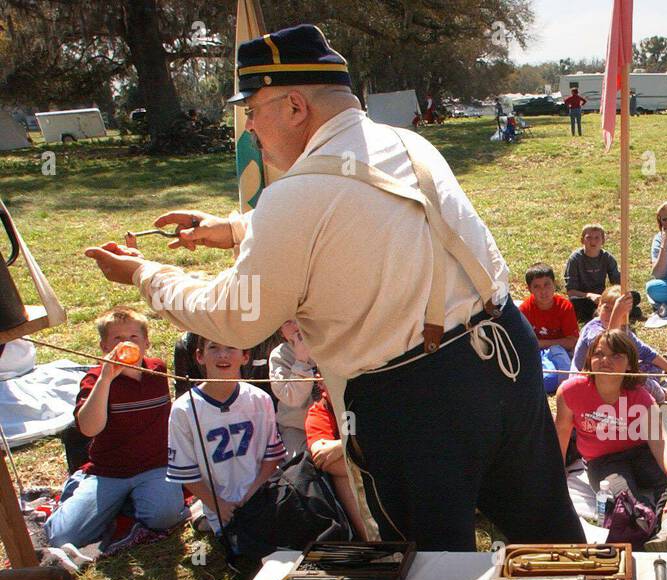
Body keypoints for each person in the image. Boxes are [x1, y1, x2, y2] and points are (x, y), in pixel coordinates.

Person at [85, 23, 582, 551]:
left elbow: (235, 316)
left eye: (252, 110)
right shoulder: (406, 143)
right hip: (503, 355)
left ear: (296, 106)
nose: (248, 127)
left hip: (415, 397)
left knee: (434, 570)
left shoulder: (296, 197)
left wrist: (145, 274)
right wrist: (234, 228)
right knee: (548, 534)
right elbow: (364, 216)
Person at [43, 307, 186, 550]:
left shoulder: (157, 370)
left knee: (165, 517)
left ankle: (126, 502)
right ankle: (84, 488)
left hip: (154, 466)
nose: (125, 344)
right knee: (62, 537)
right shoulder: (95, 378)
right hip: (109, 472)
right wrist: (105, 379)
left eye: (133, 338)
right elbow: (89, 429)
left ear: (146, 342)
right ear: (104, 347)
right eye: (117, 339)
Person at [555, 329, 667, 552]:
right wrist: (554, 480)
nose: (606, 360)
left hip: (641, 451)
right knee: (623, 498)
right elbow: (561, 435)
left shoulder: (641, 397)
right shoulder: (570, 391)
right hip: (602, 461)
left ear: (629, 364)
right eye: (599, 353)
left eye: (616, 355)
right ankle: (656, 533)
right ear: (589, 359)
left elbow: (661, 443)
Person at [166, 338, 286, 542]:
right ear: (199, 356)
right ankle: (204, 512)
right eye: (213, 347)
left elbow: (272, 455)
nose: (223, 355)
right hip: (220, 506)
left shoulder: (259, 399)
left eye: (231, 347)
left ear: (246, 356)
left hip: (259, 493)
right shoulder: (184, 409)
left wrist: (253, 492)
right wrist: (218, 504)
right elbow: (185, 470)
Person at [573, 285, 667, 405]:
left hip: (614, 377)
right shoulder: (593, 328)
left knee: (653, 366)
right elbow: (607, 345)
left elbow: (648, 353)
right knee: (639, 379)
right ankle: (663, 396)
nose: (610, 314)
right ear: (599, 307)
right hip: (590, 382)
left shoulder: (624, 331)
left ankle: (649, 391)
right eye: (607, 308)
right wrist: (617, 313)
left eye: (616, 310)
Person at [303, 387, 372, 537]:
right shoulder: (320, 411)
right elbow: (323, 459)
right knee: (341, 477)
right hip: (351, 482)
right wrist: (352, 448)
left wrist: (339, 446)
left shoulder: (362, 402)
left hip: (379, 474)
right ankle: (369, 537)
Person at [520, 264, 579, 395]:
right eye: (537, 287)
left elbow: (572, 342)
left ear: (554, 284)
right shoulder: (525, 309)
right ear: (529, 289)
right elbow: (522, 344)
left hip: (561, 352)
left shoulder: (564, 307)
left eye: (547, 284)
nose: (543, 291)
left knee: (563, 373)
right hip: (537, 353)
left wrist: (541, 344)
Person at [564, 224, 635, 322]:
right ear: (582, 240)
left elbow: (618, 283)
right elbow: (571, 292)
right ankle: (608, 313)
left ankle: (604, 312)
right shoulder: (575, 259)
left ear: (603, 241)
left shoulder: (607, 258)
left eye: (597, 237)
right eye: (589, 237)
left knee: (634, 296)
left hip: (603, 298)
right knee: (574, 303)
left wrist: (610, 296)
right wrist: (589, 295)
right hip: (584, 298)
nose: (593, 241)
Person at [269, 320, 317, 459]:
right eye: (288, 322)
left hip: (332, 423)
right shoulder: (279, 355)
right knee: (298, 469)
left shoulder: (326, 344)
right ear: (281, 332)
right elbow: (292, 398)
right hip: (297, 428)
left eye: (299, 318)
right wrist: (301, 361)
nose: (296, 326)